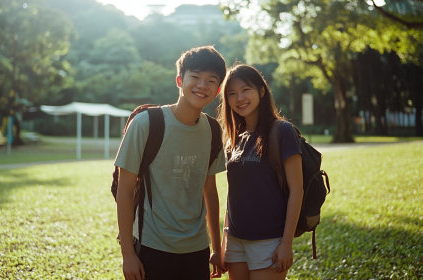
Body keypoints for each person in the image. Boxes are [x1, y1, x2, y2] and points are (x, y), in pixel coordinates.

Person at [114, 46, 227, 280]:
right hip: (151, 246)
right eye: (195, 77)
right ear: (179, 80)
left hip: (197, 249)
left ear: (217, 91)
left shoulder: (213, 131)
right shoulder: (145, 124)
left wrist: (216, 248)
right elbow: (124, 191)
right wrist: (127, 254)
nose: (201, 85)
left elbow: (210, 191)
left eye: (210, 81)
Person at [217, 63, 304, 280]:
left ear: (261, 91)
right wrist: (225, 239)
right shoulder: (234, 137)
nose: (239, 98)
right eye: (232, 93)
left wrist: (286, 243)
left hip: (269, 241)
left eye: (246, 90)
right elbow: (233, 193)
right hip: (235, 241)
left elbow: (297, 190)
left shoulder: (282, 131)